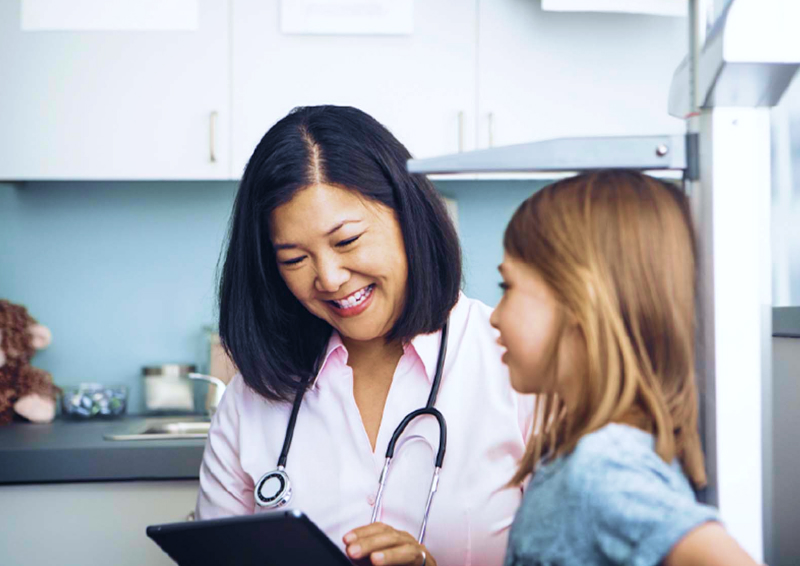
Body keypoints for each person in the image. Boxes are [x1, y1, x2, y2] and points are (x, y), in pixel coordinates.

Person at [196, 105, 533, 566]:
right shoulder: (249, 401)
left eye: (348, 240)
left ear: (407, 215)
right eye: (295, 259)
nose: (330, 278)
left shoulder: (520, 367)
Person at [490, 170, 759, 566]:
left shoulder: (603, 466)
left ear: (580, 299)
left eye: (506, 287)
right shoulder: (588, 452)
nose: (494, 317)